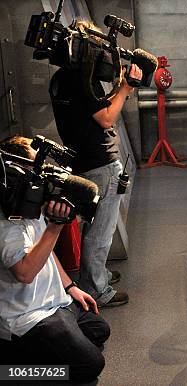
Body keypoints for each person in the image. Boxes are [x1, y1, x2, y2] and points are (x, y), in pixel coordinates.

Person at [0, 136, 110, 382]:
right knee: (90, 366)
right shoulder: (6, 222)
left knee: (99, 330)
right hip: (27, 317)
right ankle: (9, 372)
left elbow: (46, 251)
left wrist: (71, 287)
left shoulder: (29, 202)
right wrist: (55, 228)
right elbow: (25, 273)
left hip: (54, 302)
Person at [49, 20, 142, 307]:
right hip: (100, 162)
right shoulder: (83, 79)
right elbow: (105, 118)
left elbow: (96, 108)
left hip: (81, 160)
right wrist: (125, 90)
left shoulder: (62, 78)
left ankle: (95, 274)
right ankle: (97, 289)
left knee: (94, 225)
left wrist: (120, 88)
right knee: (101, 231)